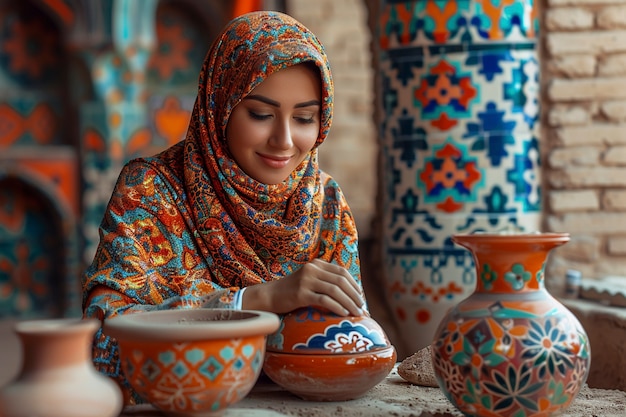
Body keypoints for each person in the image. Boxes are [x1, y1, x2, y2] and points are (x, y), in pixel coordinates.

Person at [82, 10, 367, 404]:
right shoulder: (149, 190)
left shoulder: (326, 203)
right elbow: (101, 343)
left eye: (305, 118)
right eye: (261, 114)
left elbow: (351, 341)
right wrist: (255, 301)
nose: (284, 140)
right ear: (220, 106)